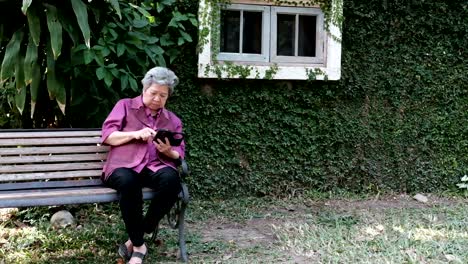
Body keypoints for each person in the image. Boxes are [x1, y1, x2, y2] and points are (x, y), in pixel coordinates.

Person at [100, 67, 184, 264]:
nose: (157, 98)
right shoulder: (125, 106)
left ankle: (139, 233)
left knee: (172, 181)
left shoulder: (172, 120)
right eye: (153, 93)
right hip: (123, 165)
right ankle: (139, 246)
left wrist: (167, 151)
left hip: (155, 165)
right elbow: (107, 136)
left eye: (163, 95)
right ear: (144, 90)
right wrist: (135, 134)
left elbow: (179, 154)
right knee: (129, 183)